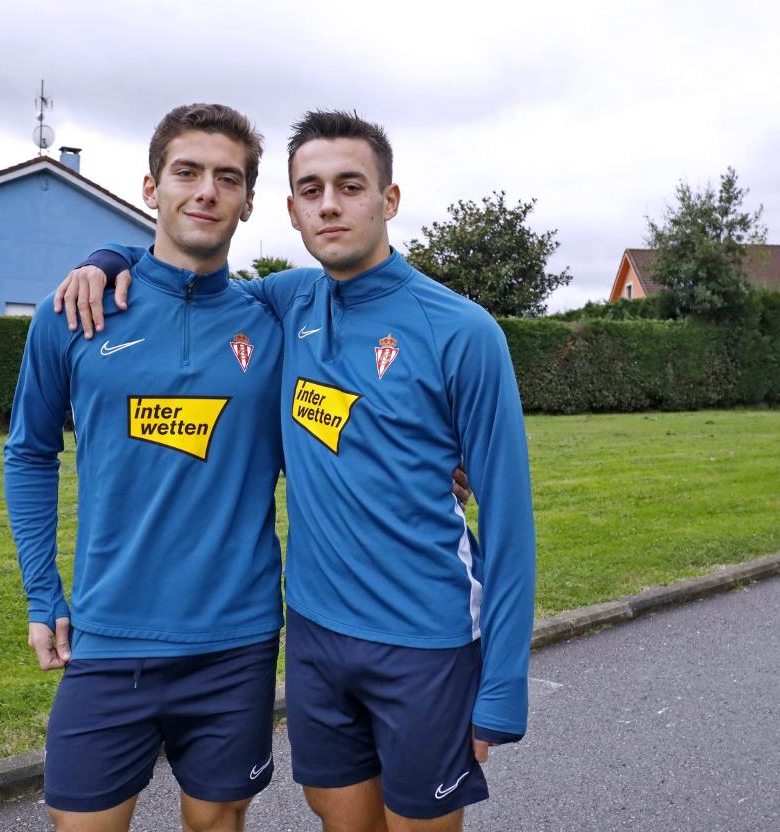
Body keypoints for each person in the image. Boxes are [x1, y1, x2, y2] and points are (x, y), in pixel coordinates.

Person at [58, 110, 536, 832]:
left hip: (425, 642)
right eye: (310, 190)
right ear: (288, 209)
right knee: (338, 819)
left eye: (350, 185)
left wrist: (502, 689)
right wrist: (109, 257)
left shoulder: (463, 332)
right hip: (314, 635)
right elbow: (184, 273)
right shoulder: (285, 302)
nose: (330, 204)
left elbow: (509, 525)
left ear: (390, 199)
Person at [4, 103, 286, 832]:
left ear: (249, 200)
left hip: (237, 639)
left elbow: (350, 401)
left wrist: (428, 456)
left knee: (218, 822)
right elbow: (31, 452)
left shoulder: (275, 322)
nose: (206, 192)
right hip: (107, 636)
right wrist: (43, 595)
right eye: (186, 172)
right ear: (150, 187)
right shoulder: (70, 314)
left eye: (228, 178)